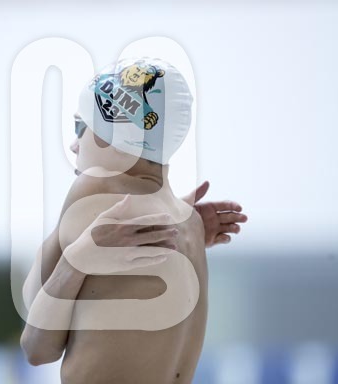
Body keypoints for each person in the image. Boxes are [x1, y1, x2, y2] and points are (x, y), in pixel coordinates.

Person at [20, 57, 247, 383]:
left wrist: (75, 260)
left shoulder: (96, 190)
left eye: (80, 127)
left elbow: (36, 347)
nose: (73, 144)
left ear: (117, 135)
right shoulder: (189, 224)